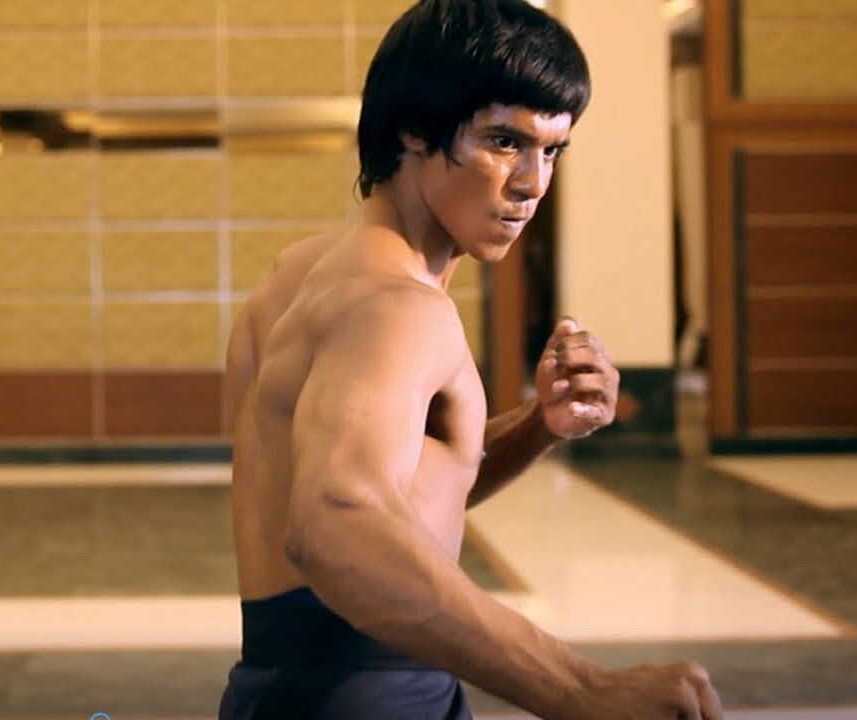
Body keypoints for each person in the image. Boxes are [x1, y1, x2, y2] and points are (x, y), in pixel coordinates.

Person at [218, 1, 724, 718]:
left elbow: (394, 492)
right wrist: (584, 689)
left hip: (277, 687)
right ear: (413, 130)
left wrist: (539, 424)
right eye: (503, 141)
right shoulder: (399, 307)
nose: (532, 182)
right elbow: (336, 525)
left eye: (552, 150)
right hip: (374, 691)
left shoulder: (297, 277)